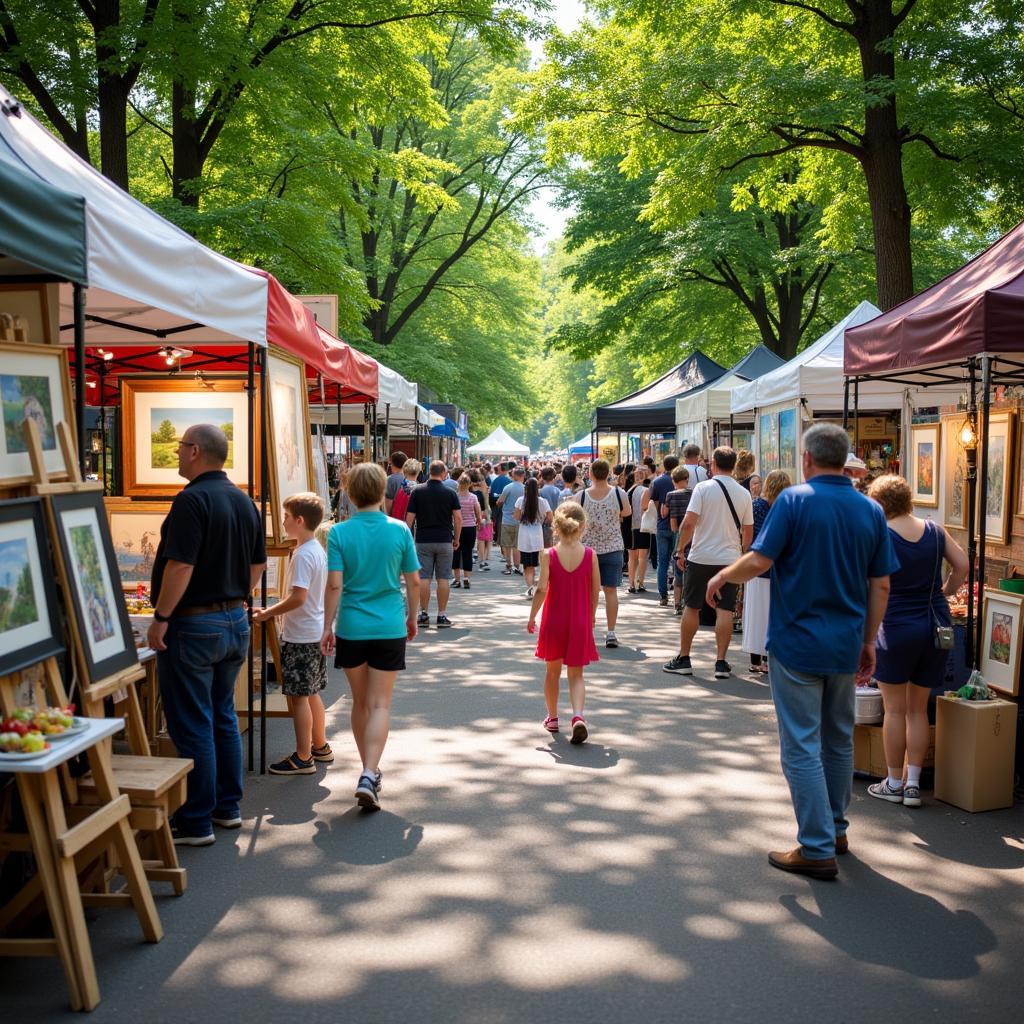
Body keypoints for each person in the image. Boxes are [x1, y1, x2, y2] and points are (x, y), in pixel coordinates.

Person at [703, 423, 898, 879]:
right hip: (846, 642)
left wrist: (722, 576)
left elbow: (760, 559)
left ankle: (815, 846)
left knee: (801, 745)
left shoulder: (793, 501)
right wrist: (869, 639)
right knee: (837, 738)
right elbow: (882, 584)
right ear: (847, 459)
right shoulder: (870, 511)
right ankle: (836, 828)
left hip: (796, 642)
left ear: (807, 460)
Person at [147, 424, 264, 846]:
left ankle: (196, 820)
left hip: (194, 624)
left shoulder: (191, 500)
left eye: (180, 448)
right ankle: (226, 808)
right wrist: (235, 597)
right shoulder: (243, 501)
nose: (177, 455)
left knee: (194, 721)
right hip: (234, 618)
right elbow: (257, 566)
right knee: (222, 716)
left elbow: (181, 566)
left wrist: (161, 615)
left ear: (195, 451)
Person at [866, 474, 968, 809]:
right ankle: (912, 784)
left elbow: (871, 585)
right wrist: (946, 592)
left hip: (895, 628)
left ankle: (893, 782)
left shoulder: (881, 536)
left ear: (880, 504)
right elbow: (963, 565)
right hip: (934, 625)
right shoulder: (936, 531)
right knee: (917, 710)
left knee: (893, 709)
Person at [322, 463, 420, 810]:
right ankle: (369, 771)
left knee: (359, 702)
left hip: (352, 625)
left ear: (349, 494)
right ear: (383, 492)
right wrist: (412, 616)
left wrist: (325, 626)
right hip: (389, 624)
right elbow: (412, 580)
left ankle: (368, 770)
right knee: (380, 704)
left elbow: (334, 583)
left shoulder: (339, 534)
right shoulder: (399, 531)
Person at [252, 493, 330, 776]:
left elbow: (298, 597)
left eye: (285, 517)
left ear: (298, 521)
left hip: (301, 634)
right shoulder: (315, 550)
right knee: (311, 693)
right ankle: (319, 745)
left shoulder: (303, 554)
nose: (282, 522)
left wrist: (268, 613)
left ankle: (303, 755)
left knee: (299, 696)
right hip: (314, 629)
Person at [663, 447, 753, 680]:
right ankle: (721, 662)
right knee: (725, 609)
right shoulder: (744, 494)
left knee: (692, 606)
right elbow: (748, 530)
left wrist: (680, 550)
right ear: (733, 465)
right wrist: (742, 555)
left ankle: (684, 658)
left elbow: (689, 523)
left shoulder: (702, 489)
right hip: (729, 560)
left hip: (701, 556)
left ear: (713, 464)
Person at [528, 502, 600, 743]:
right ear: (583, 526)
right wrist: (590, 617)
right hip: (579, 620)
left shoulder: (548, 554)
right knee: (576, 675)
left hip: (554, 621)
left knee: (552, 673)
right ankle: (578, 716)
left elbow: (541, 588)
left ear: (556, 526)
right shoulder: (590, 555)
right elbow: (595, 590)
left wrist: (531, 616)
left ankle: (552, 717)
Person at [742, 470, 792, 674]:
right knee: (774, 615)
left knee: (756, 614)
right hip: (779, 569)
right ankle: (771, 658)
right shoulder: (788, 508)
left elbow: (750, 535)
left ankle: (756, 659)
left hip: (757, 567)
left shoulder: (757, 507)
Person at [580, 459, 630, 648]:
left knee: (588, 592)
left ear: (590, 474)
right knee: (611, 591)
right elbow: (627, 512)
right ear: (608, 473)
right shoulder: (619, 493)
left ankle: (588, 629)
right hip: (613, 547)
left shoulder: (581, 496)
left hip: (588, 550)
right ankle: (610, 632)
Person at [406, 460, 461, 628]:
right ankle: (442, 615)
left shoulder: (417, 492)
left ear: (429, 472)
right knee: (443, 578)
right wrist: (456, 538)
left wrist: (407, 538)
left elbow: (409, 519)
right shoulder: (450, 493)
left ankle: (423, 614)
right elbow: (458, 519)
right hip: (444, 539)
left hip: (423, 540)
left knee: (424, 578)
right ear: (444, 473)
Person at [642, 454, 680, 607]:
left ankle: (663, 596)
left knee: (662, 561)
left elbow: (654, 504)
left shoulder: (657, 482)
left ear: (664, 466)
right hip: (678, 525)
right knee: (677, 560)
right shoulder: (680, 480)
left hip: (662, 525)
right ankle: (678, 595)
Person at [515, 477, 553, 597]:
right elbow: (550, 517)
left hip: (524, 536)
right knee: (539, 563)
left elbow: (516, 516)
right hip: (538, 536)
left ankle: (531, 588)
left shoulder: (520, 500)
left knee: (527, 565)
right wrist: (541, 520)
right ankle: (536, 587)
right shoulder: (543, 501)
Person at [666, 465, 693, 615]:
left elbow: (673, 524)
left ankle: (677, 605)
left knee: (678, 570)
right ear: (687, 479)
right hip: (695, 535)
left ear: (673, 480)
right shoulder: (695, 493)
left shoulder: (671, 495)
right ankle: (689, 601)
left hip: (679, 535)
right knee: (692, 568)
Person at [452, 473, 484, 589]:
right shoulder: (473, 497)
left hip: (457, 528)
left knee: (456, 553)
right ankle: (466, 578)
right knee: (467, 553)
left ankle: (457, 580)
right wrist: (479, 522)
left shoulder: (455, 496)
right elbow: (478, 513)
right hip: (470, 528)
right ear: (469, 484)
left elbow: (452, 513)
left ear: (458, 484)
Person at [627, 463, 652, 593]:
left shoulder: (629, 491)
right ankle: (640, 583)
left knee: (632, 556)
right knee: (642, 556)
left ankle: (631, 584)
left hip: (631, 527)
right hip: (644, 526)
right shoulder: (646, 490)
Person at [497, 466, 527, 575]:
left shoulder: (508, 487)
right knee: (517, 545)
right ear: (523, 476)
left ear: (513, 475)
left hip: (507, 519)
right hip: (520, 520)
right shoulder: (525, 488)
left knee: (506, 544)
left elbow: (500, 501)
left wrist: (502, 503)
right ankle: (517, 566)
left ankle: (508, 566)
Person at [468, 469, 493, 570]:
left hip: (467, 518)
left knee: (471, 540)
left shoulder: (465, 489)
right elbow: (485, 505)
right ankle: (481, 561)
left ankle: (471, 557)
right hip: (481, 515)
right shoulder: (482, 489)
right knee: (481, 539)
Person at [488, 461, 511, 560]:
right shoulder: (510, 481)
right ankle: (507, 554)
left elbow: (491, 495)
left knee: (499, 528)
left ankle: (503, 552)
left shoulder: (495, 481)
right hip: (508, 510)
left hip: (496, 508)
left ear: (500, 470)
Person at [390, 458, 420, 523]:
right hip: (410, 528)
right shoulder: (419, 490)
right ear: (418, 473)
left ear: (404, 472)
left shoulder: (401, 489)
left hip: (398, 525)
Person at [539, 467, 562, 548]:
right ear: (554, 476)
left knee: (546, 548)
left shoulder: (541, 491)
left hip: (544, 523)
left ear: (542, 476)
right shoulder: (558, 491)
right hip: (557, 521)